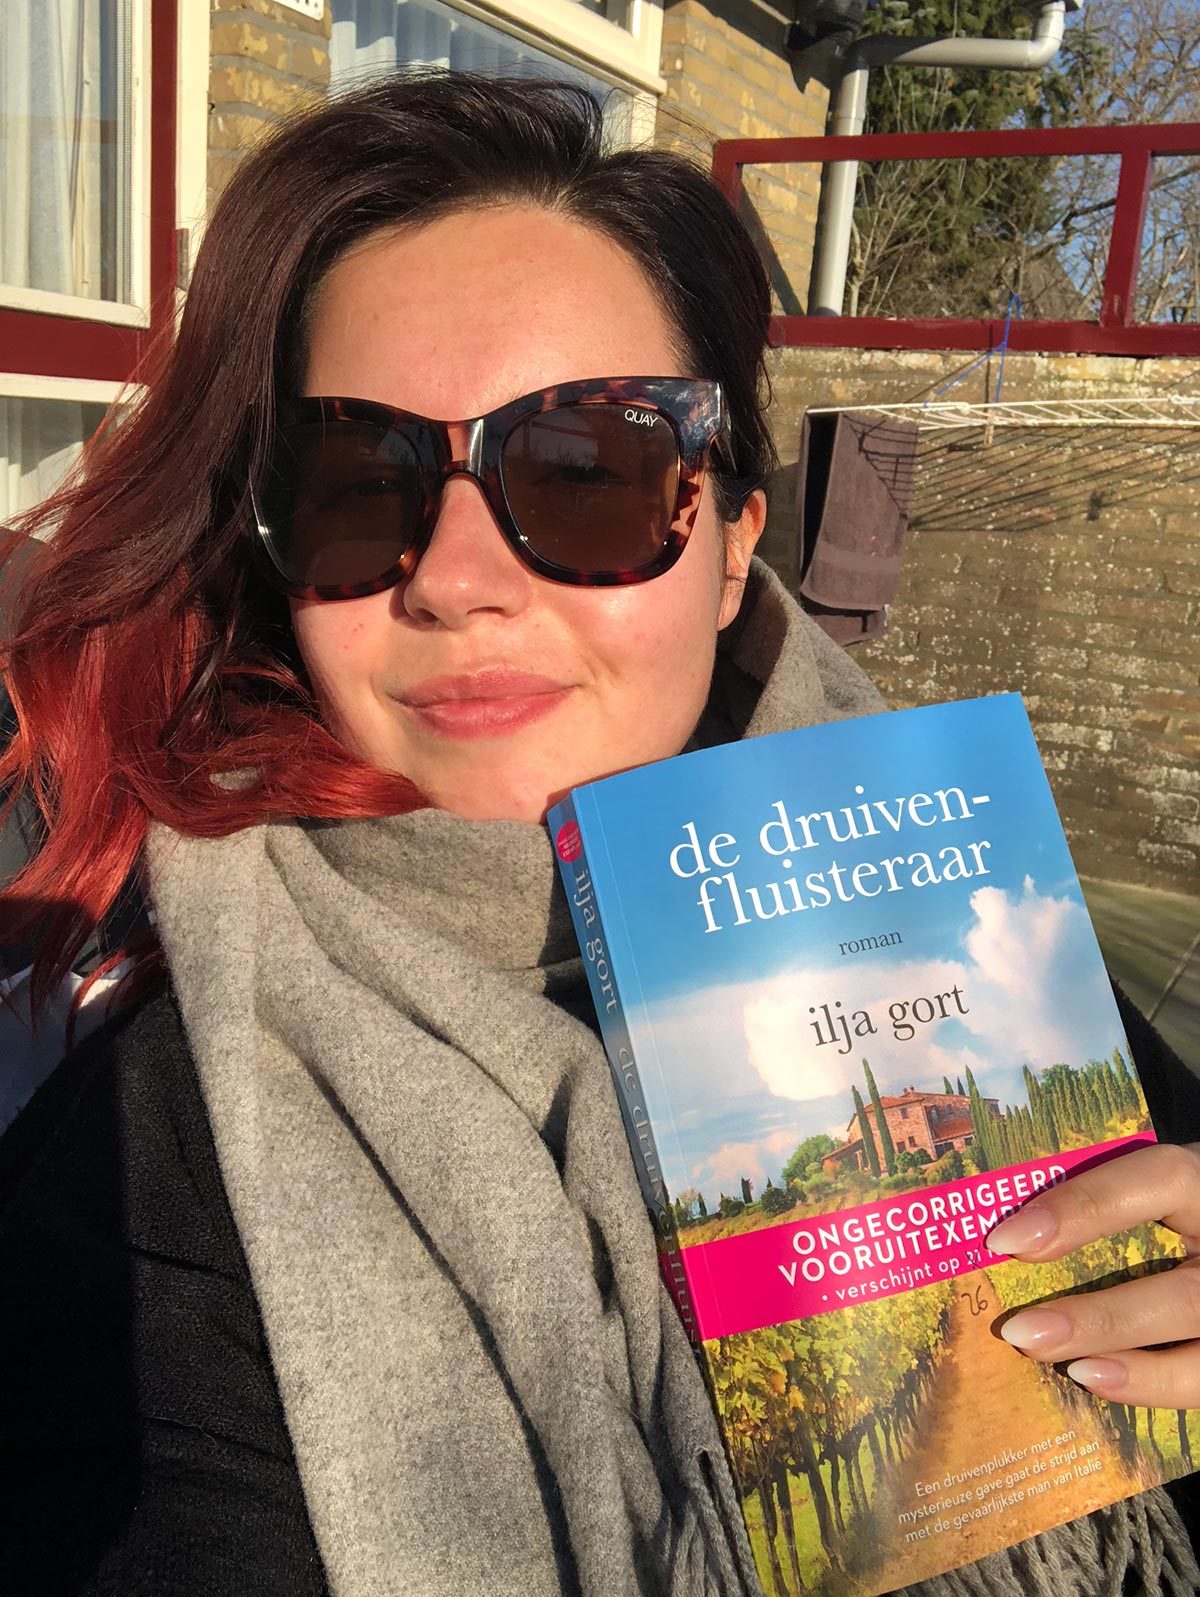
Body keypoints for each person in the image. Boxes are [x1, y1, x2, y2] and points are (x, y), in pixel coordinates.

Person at [0, 71, 1196, 1597]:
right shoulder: (149, 1168)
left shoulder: (1017, 984)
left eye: (584, 468)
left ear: (734, 540)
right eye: (359, 484)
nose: (454, 579)